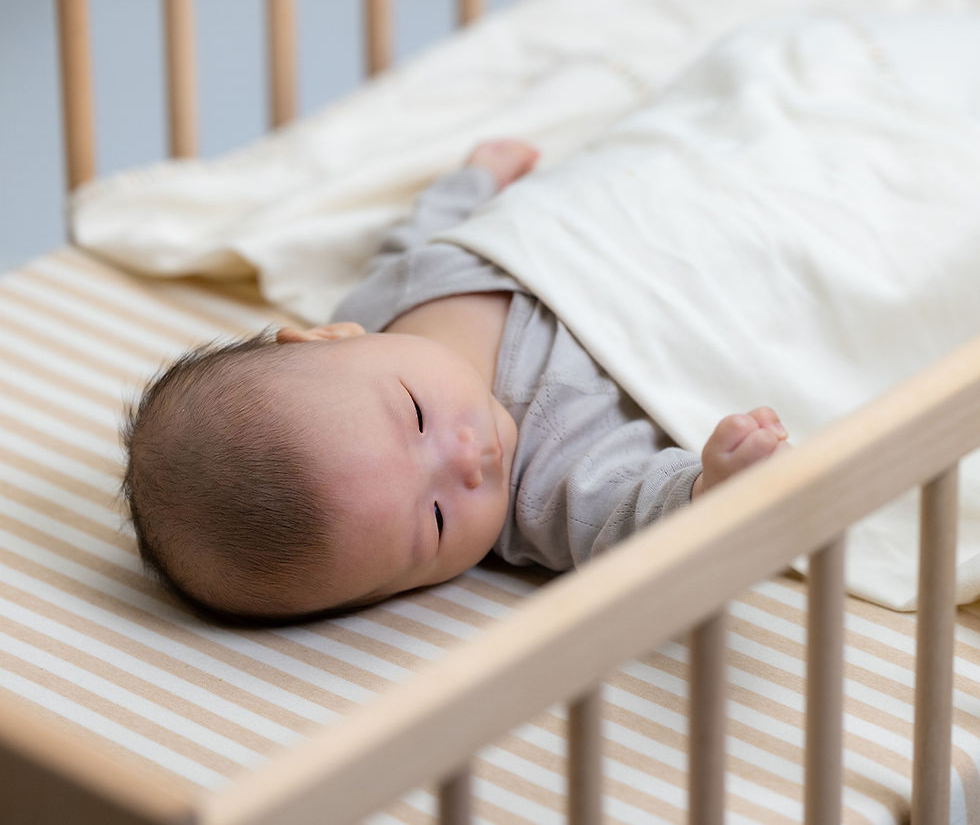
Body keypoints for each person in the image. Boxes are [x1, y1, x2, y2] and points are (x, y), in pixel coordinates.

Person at [123, 139, 789, 623]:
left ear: (329, 337)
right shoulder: (550, 491)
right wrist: (709, 489)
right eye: (438, 521)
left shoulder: (375, 308)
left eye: (415, 416)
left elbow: (416, 242)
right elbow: (636, 519)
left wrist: (473, 182)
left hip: (643, 198)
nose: (468, 459)